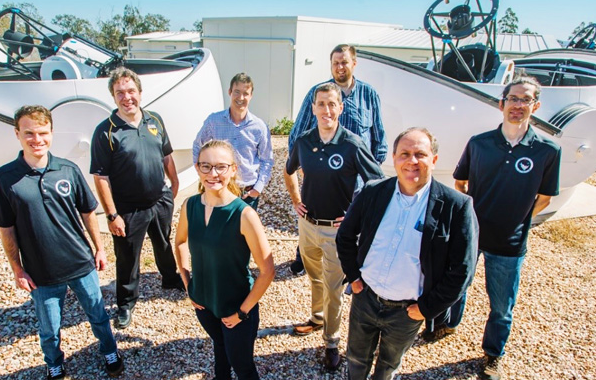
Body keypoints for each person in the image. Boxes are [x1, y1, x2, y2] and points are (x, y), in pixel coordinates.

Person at [0, 105, 123, 379]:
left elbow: (87, 212)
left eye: (43, 133)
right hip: (41, 272)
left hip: (80, 262)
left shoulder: (67, 170)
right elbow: (6, 228)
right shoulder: (4, 179)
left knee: (98, 315)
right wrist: (17, 268)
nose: (37, 140)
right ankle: (54, 362)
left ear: (51, 133)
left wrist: (99, 249)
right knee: (49, 327)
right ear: (17, 134)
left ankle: (109, 350)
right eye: (29, 133)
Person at [336, 127, 478, 380]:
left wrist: (427, 308)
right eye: (404, 154)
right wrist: (354, 276)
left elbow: (463, 271)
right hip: (365, 298)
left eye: (420, 154)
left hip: (407, 311)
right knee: (356, 359)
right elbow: (345, 236)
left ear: (433, 160)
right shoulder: (373, 191)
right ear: (394, 159)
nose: (411, 161)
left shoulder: (456, 206)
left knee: (389, 364)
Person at [446, 76, 561, 380]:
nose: (518, 105)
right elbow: (460, 182)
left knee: (501, 304)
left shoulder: (547, 151)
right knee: (458, 286)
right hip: (472, 234)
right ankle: (448, 324)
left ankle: (493, 354)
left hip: (510, 243)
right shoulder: (479, 143)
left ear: (535, 105)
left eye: (526, 100)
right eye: (513, 99)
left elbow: (545, 198)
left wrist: (519, 219)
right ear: (502, 104)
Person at [283, 82, 384, 371]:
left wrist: (355, 214)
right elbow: (289, 171)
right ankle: (316, 318)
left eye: (332, 104)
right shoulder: (303, 141)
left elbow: (377, 183)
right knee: (315, 278)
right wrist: (295, 200)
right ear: (313, 108)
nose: (326, 109)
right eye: (321, 104)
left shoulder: (352, 144)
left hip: (337, 233)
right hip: (308, 226)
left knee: (334, 288)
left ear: (340, 108)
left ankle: (331, 342)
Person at [90, 67, 183, 330]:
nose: (126, 97)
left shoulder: (155, 119)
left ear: (140, 93)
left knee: (164, 243)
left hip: (160, 201)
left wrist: (174, 183)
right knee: (128, 256)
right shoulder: (106, 132)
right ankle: (126, 303)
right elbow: (101, 177)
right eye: (120, 92)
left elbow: (166, 154)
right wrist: (112, 215)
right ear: (113, 96)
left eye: (131, 91)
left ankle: (170, 278)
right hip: (128, 209)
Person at [174, 140, 275, 380]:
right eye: (206, 166)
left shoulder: (245, 214)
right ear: (197, 169)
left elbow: (267, 270)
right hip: (204, 303)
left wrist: (242, 312)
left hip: (236, 307)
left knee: (243, 367)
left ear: (233, 170)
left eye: (221, 167)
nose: (213, 174)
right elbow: (179, 243)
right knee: (220, 348)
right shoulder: (190, 206)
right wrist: (189, 285)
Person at [287, 44, 387, 277]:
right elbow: (297, 134)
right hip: (323, 174)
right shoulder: (318, 93)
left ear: (354, 63)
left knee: (350, 229)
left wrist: (370, 171)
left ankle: (351, 270)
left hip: (356, 181)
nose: (340, 67)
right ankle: (304, 258)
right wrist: (303, 165)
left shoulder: (369, 94)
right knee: (312, 218)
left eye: (344, 62)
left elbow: (379, 138)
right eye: (335, 63)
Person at [192, 73, 274, 210]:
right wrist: (202, 173)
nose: (241, 98)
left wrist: (258, 188)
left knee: (244, 231)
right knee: (218, 230)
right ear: (230, 92)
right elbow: (197, 146)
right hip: (219, 188)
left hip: (247, 192)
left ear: (251, 96)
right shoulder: (214, 121)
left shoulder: (259, 127)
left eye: (245, 93)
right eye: (237, 92)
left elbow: (267, 160)